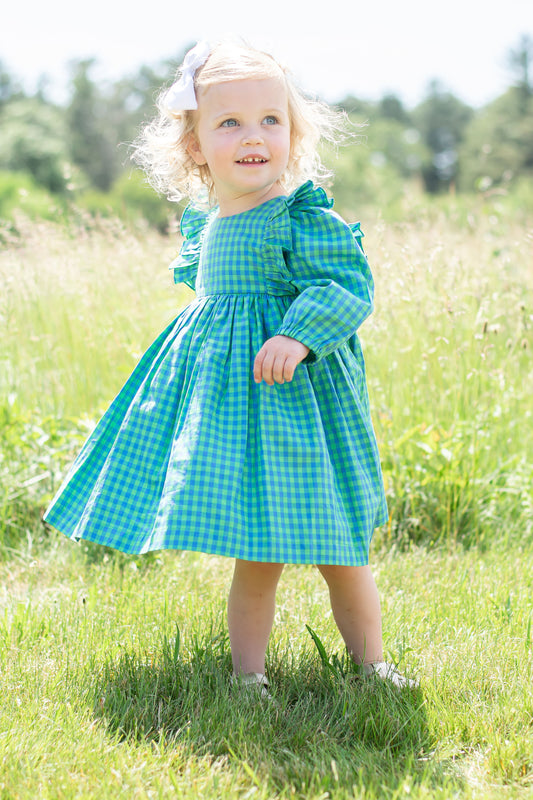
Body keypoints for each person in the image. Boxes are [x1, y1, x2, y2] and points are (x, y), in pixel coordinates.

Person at [43, 40, 417, 692]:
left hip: (302, 408)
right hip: (238, 410)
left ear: (293, 134)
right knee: (257, 551)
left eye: (271, 120)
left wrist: (298, 336)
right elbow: (217, 312)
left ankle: (372, 664)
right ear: (194, 147)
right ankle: (248, 677)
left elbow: (345, 286)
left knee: (341, 549)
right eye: (229, 123)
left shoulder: (300, 215)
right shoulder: (208, 224)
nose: (254, 136)